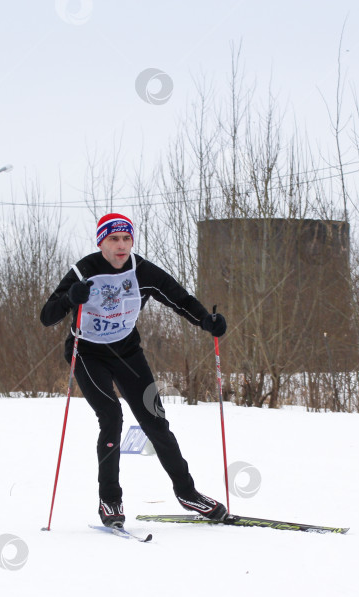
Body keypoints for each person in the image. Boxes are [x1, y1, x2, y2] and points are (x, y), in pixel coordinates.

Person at [40, 213, 228, 529]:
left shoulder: (140, 270)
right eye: (114, 239)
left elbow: (178, 297)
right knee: (111, 417)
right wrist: (70, 299)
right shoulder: (84, 270)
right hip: (87, 353)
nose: (121, 245)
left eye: (126, 238)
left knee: (155, 419)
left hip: (127, 353)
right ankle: (110, 499)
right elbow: (47, 316)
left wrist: (205, 322)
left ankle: (187, 492)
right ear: (101, 242)